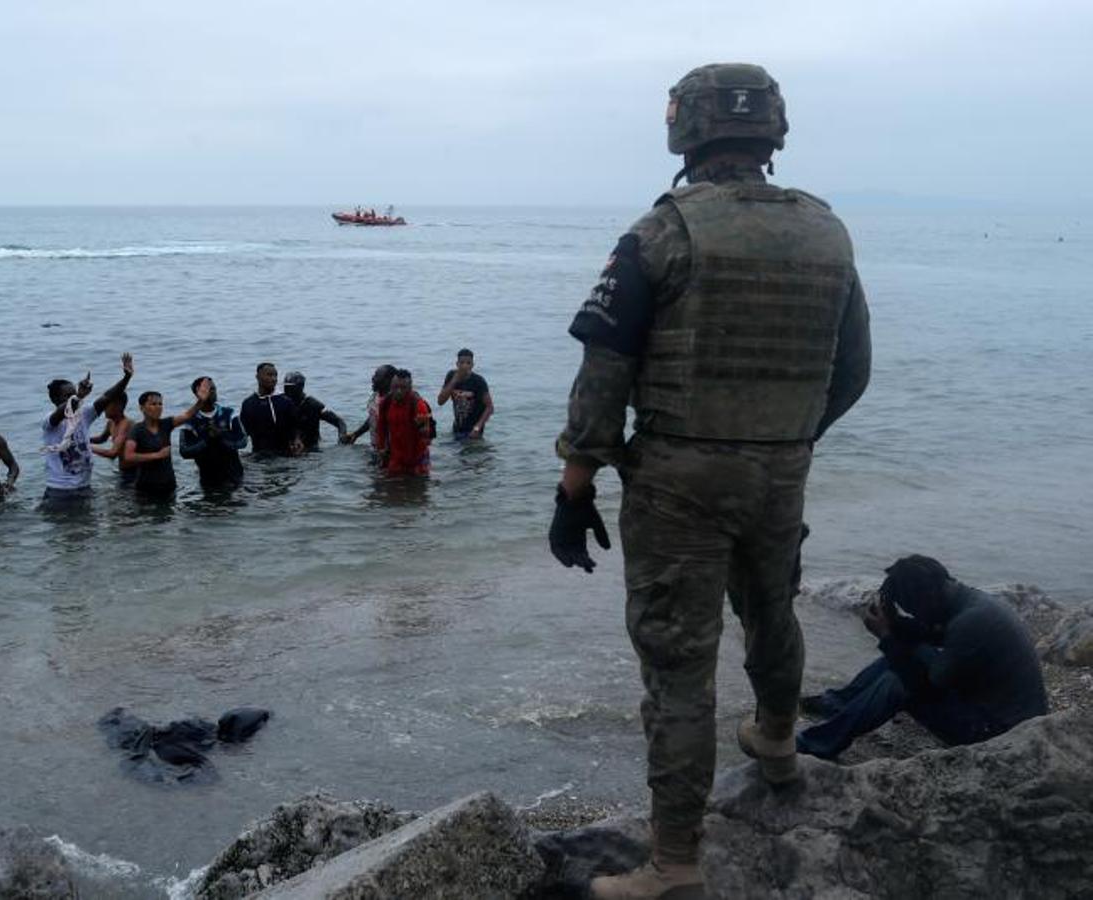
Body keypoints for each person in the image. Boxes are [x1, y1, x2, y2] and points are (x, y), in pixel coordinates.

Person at [549, 63, 872, 899]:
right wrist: (788, 437)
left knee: (678, 667)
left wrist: (575, 483)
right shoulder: (826, 232)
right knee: (771, 606)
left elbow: (603, 372)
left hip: (678, 480)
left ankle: (674, 864)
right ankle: (774, 742)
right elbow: (853, 368)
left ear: (684, 132)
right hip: (780, 468)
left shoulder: (663, 232)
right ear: (772, 132)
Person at [797, 556, 1049, 760]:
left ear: (927, 598)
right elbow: (932, 634)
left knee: (896, 684)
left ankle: (816, 743)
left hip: (1002, 733)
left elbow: (926, 687)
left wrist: (886, 636)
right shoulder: (970, 602)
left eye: (912, 608)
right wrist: (896, 625)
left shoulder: (970, 623)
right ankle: (837, 705)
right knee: (902, 655)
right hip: (1002, 712)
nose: (914, 615)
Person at [40, 353, 134, 506]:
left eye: (74, 393)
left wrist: (126, 378)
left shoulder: (84, 414)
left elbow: (107, 397)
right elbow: (61, 412)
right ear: (55, 400)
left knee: (88, 529)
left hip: (84, 487)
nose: (73, 398)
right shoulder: (50, 421)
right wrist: (78, 396)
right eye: (68, 395)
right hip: (60, 491)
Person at [120, 390, 198, 500]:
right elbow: (128, 456)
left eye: (160, 404)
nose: (158, 407)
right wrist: (156, 455)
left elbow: (187, 415)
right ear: (142, 408)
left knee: (169, 516)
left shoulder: (166, 424)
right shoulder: (137, 430)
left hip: (169, 485)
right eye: (153, 404)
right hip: (146, 488)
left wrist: (201, 400)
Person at [179, 376, 248, 490]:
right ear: (197, 394)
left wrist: (221, 436)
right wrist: (207, 439)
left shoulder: (229, 413)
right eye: (207, 390)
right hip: (208, 478)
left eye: (213, 389)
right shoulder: (190, 421)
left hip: (234, 475)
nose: (212, 392)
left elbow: (243, 441)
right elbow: (185, 452)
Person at [374, 369, 434, 477]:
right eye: (395, 387)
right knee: (390, 487)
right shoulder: (386, 403)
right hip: (396, 456)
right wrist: (381, 448)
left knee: (419, 489)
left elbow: (427, 436)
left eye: (403, 388)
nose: (398, 391)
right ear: (391, 386)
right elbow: (381, 428)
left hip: (417, 457)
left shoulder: (418, 404)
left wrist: (421, 426)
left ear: (410, 388)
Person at [240, 362, 301, 456]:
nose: (274, 379)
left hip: (285, 454)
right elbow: (244, 432)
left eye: (275, 375)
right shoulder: (249, 403)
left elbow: (296, 425)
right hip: (259, 455)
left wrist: (297, 439)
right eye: (269, 375)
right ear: (258, 377)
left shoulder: (286, 401)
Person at [437, 348, 494, 439]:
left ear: (472, 365)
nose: (465, 366)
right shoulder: (451, 376)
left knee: (474, 452)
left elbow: (490, 407)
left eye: (468, 363)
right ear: (457, 364)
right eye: (462, 362)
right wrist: (454, 381)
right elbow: (440, 401)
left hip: (474, 431)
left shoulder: (478, 381)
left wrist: (477, 428)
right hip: (457, 428)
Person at [283, 371, 347, 450]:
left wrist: (342, 438)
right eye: (286, 388)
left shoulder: (313, 405)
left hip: (311, 447)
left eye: (291, 388)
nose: (288, 391)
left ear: (301, 387)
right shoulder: (281, 403)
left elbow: (339, 422)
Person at [340, 364, 397, 450]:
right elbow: (373, 418)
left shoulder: (394, 403)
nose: (373, 378)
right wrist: (356, 434)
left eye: (377, 376)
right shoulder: (375, 397)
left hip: (390, 451)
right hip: (376, 448)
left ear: (388, 381)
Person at [90, 390, 136, 486]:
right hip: (124, 471)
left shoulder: (126, 425)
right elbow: (102, 438)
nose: (103, 408)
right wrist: (82, 438)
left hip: (135, 473)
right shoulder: (111, 422)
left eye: (106, 405)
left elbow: (113, 453)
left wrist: (87, 447)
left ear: (119, 406)